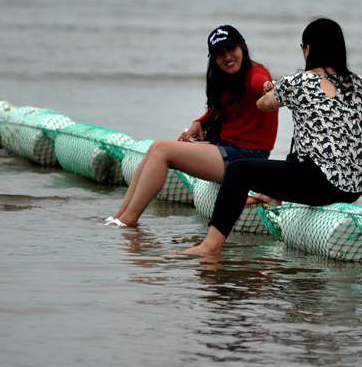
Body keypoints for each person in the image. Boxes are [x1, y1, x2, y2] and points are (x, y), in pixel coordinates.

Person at [183, 17, 362, 256]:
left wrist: (272, 90)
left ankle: (209, 246)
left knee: (238, 171)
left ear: (308, 50)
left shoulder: (298, 81)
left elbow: (263, 105)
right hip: (353, 187)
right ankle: (274, 194)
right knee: (302, 151)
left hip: (320, 185)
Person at [108, 25, 278, 227]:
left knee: (162, 150)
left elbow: (260, 83)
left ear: (242, 47)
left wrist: (269, 87)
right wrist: (200, 122)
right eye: (220, 53)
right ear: (214, 59)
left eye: (231, 49)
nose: (227, 57)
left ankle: (129, 219)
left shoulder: (255, 74)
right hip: (228, 149)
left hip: (248, 157)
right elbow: (219, 110)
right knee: (155, 148)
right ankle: (120, 215)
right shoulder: (227, 79)